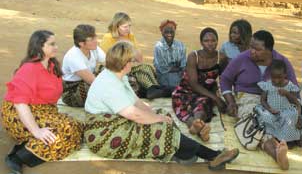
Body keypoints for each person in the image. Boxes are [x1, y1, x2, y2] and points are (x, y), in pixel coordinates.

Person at [84, 41, 239, 170]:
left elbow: (136, 101)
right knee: (159, 128)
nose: (134, 63)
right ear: (125, 64)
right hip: (104, 134)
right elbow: (134, 114)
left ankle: (182, 152)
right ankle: (213, 156)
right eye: (131, 60)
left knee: (161, 115)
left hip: (115, 121)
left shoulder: (116, 74)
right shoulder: (110, 85)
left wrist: (156, 115)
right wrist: (157, 119)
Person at [1, 30, 83, 174]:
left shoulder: (51, 65)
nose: (56, 47)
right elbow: (20, 104)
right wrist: (36, 131)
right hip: (18, 113)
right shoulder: (29, 69)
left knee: (76, 127)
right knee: (65, 132)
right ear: (39, 46)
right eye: (52, 44)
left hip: (42, 109)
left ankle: (29, 145)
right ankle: (18, 157)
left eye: (55, 43)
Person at [220, 30, 299, 119]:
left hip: (275, 98)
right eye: (251, 47)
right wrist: (231, 102)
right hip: (248, 99)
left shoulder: (282, 61)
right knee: (257, 118)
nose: (252, 51)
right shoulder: (242, 58)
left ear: (269, 50)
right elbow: (225, 79)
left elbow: (294, 88)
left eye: (257, 49)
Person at [172, 28, 227, 142]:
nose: (210, 44)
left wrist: (223, 98)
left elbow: (224, 79)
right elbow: (193, 84)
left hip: (205, 92)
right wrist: (215, 98)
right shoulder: (194, 56)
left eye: (213, 40)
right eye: (206, 41)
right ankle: (199, 127)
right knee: (183, 108)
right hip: (186, 91)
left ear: (217, 41)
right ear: (201, 42)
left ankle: (196, 125)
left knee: (203, 105)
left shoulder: (221, 58)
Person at [100, 12, 164, 99]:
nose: (128, 29)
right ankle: (154, 90)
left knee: (146, 67)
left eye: (129, 26)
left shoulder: (130, 36)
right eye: (125, 27)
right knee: (137, 76)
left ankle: (152, 89)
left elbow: (140, 60)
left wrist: (130, 43)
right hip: (114, 69)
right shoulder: (108, 38)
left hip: (128, 66)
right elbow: (105, 61)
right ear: (116, 26)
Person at [254, 59, 302, 170]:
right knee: (265, 116)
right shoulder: (268, 85)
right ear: (270, 75)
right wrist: (269, 109)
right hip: (272, 112)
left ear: (285, 75)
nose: (276, 80)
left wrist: (287, 94)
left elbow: (295, 102)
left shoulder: (290, 86)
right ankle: (279, 139)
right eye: (273, 77)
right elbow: (263, 101)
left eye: (279, 77)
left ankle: (288, 140)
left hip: (286, 111)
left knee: (290, 116)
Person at [62, 24, 106, 107]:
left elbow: (110, 63)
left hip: (87, 82)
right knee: (101, 84)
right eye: (92, 39)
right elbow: (93, 82)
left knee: (108, 71)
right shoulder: (74, 56)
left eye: (95, 37)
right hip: (72, 92)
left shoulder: (94, 48)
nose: (96, 41)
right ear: (81, 43)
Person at [153, 20, 186, 94]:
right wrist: (175, 68)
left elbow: (183, 65)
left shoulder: (181, 45)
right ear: (161, 32)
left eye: (172, 31)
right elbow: (160, 68)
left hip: (178, 78)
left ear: (175, 31)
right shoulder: (158, 47)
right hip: (163, 79)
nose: (169, 33)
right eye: (166, 31)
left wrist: (171, 68)